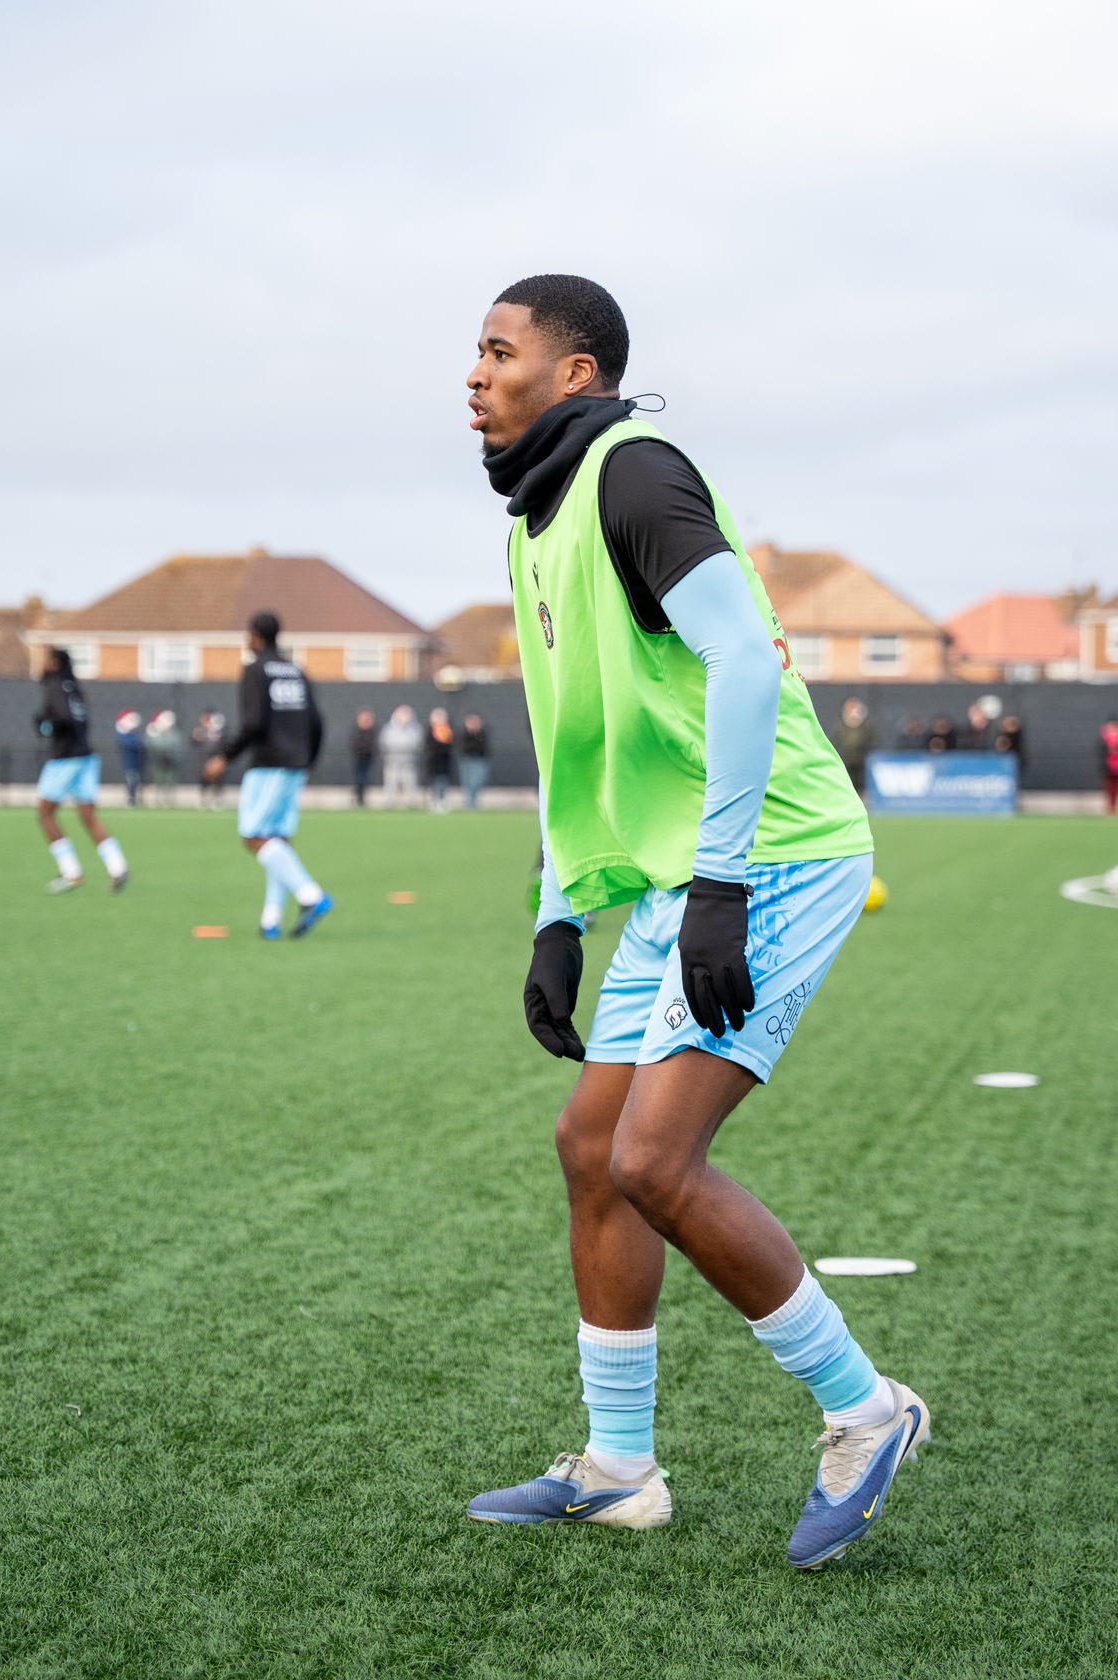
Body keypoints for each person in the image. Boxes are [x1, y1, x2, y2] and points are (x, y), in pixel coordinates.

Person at [462, 273, 928, 1570]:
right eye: (474, 353)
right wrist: (559, 914)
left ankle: (867, 1411)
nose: (474, 374)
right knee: (591, 1144)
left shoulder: (634, 471)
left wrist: (720, 884)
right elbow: (573, 734)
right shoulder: (539, 518)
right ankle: (619, 1471)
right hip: (687, 875)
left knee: (656, 1161)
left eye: (498, 350)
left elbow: (743, 661)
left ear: (576, 371)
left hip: (774, 854)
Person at [203, 612, 331, 940]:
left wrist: (224, 757)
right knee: (278, 840)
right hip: (296, 762)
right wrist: (310, 760)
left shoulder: (255, 669)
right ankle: (270, 920)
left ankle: (311, 896)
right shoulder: (297, 669)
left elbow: (254, 722)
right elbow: (317, 721)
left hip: (268, 763)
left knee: (254, 836)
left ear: (255, 636)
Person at [34, 648, 128, 893]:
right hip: (86, 757)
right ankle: (117, 866)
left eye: (45, 659)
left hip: (65, 759)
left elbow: (61, 717)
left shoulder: (54, 685)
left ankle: (71, 872)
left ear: (54, 663)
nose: (41, 663)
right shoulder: (73, 687)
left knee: (45, 814)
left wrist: (45, 723)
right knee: (88, 816)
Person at [379, 705, 424, 808]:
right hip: (392, 760)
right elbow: (384, 743)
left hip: (409, 760)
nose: (405, 717)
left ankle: (412, 802)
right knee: (391, 782)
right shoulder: (388, 728)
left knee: (410, 782)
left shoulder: (416, 729)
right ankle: (390, 802)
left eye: (407, 715)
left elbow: (419, 743)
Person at [832, 697, 875, 795]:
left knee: (861, 791)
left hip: (861, 767)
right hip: (845, 766)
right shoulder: (840, 728)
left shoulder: (866, 728)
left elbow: (871, 743)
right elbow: (836, 744)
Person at [145, 710, 185, 806]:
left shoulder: (175, 735)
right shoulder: (155, 734)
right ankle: (159, 798)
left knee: (170, 780)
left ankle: (169, 799)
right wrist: (157, 757)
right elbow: (150, 747)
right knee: (159, 780)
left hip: (171, 762)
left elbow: (180, 748)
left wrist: (174, 758)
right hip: (158, 762)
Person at [192, 711, 227, 808]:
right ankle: (204, 799)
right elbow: (195, 741)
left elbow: (225, 745)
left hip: (217, 759)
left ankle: (217, 799)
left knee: (218, 780)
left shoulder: (222, 734)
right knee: (204, 779)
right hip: (205, 759)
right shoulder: (202, 732)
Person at [425, 708, 455, 813]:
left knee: (443, 781)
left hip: (445, 761)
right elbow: (428, 745)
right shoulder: (430, 731)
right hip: (434, 761)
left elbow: (451, 745)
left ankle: (443, 800)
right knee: (435, 782)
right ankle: (435, 800)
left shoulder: (448, 730)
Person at [459, 713, 490, 809]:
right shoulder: (464, 734)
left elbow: (482, 747)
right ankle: (470, 803)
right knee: (468, 782)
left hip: (479, 759)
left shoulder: (482, 733)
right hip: (467, 759)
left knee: (477, 781)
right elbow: (464, 747)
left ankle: (474, 801)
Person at [114, 709, 144, 806]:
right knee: (131, 780)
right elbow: (132, 745)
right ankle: (131, 798)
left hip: (137, 763)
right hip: (129, 763)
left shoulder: (135, 735)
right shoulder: (124, 735)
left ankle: (136, 798)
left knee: (137, 781)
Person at [349, 709, 377, 807]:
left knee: (365, 778)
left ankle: (362, 797)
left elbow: (373, 745)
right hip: (358, 758)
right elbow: (354, 744)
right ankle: (358, 796)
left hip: (368, 758)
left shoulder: (372, 731)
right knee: (359, 778)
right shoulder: (357, 731)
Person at [1100, 719, 1118, 815]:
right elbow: (1100, 752)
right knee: (1110, 789)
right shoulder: (1104, 740)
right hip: (1108, 769)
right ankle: (1110, 808)